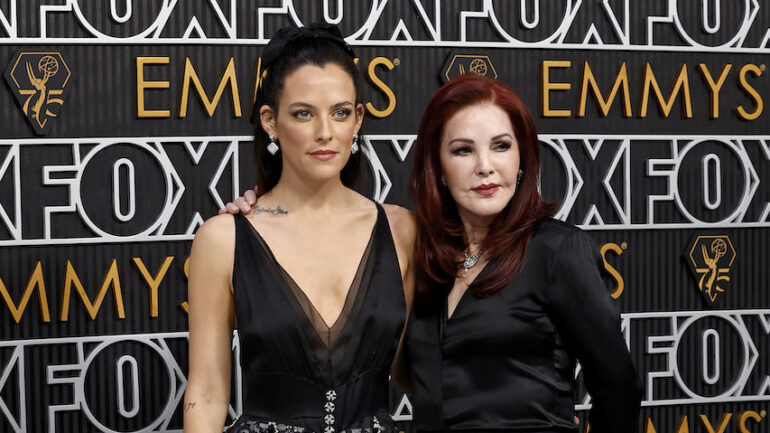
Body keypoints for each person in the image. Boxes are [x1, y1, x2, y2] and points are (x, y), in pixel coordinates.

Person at [225, 74, 641, 432]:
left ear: (522, 158)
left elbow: (617, 386)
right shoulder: (418, 250)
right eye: (463, 150)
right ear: (438, 167)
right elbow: (417, 374)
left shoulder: (557, 249)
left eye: (500, 146)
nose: (485, 166)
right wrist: (266, 209)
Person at [184, 23, 415, 433]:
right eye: (304, 113)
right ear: (270, 121)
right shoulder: (223, 239)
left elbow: (410, 374)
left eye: (340, 112)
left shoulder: (401, 230)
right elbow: (207, 392)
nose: (325, 132)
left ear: (358, 119)